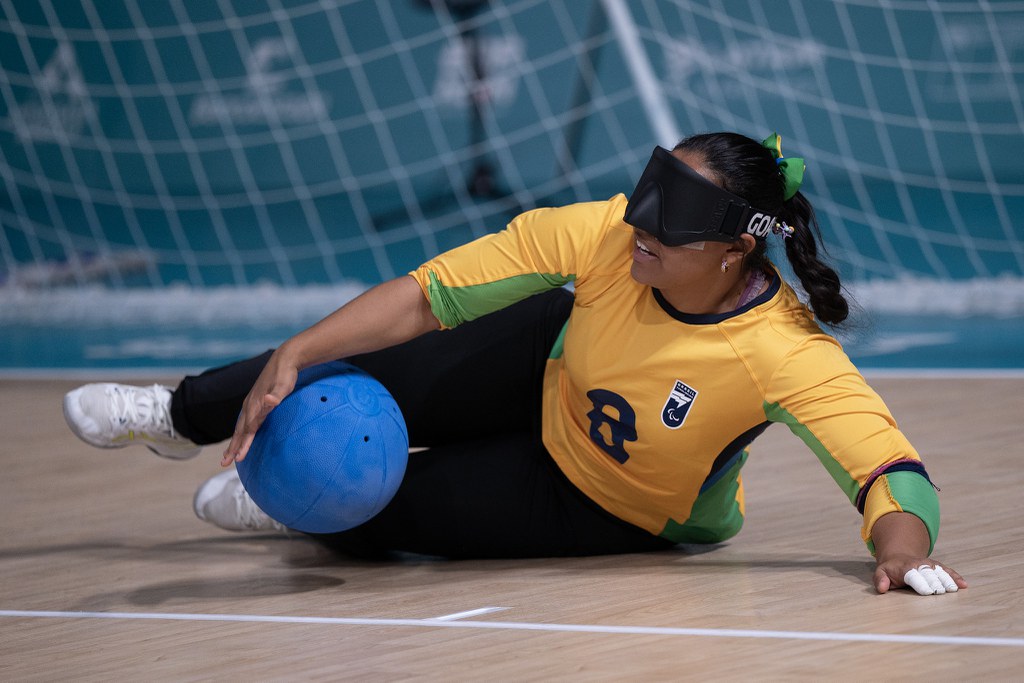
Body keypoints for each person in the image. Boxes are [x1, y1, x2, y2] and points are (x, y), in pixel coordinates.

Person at [63, 131, 966, 596]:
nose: (644, 222)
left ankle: (287, 491)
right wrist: (297, 348)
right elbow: (427, 295)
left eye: (675, 213)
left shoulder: (784, 354)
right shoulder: (611, 239)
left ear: (735, 247)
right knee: (361, 348)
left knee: (369, 511)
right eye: (652, 190)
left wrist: (903, 552)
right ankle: (179, 413)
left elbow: (890, 471)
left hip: (610, 502)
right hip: (545, 369)